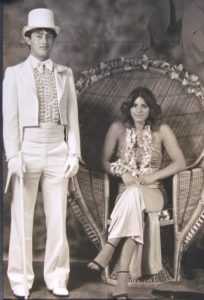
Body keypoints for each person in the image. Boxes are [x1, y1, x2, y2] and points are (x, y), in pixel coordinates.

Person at [3, 8, 81, 298]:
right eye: (38, 35)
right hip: (28, 149)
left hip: (58, 148)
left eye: (48, 35)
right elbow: (9, 119)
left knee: (57, 218)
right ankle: (21, 280)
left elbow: (72, 117)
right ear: (28, 39)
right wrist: (14, 155)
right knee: (22, 218)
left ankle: (57, 277)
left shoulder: (65, 73)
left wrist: (73, 153)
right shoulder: (15, 74)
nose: (44, 40)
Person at [87, 87, 186, 299]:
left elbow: (180, 162)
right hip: (126, 194)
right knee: (132, 199)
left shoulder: (162, 130)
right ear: (128, 107)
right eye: (135, 105)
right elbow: (103, 161)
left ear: (151, 109)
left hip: (153, 194)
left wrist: (154, 176)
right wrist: (121, 173)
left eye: (144, 106)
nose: (139, 110)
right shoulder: (117, 128)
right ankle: (122, 284)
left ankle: (109, 248)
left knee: (135, 196)